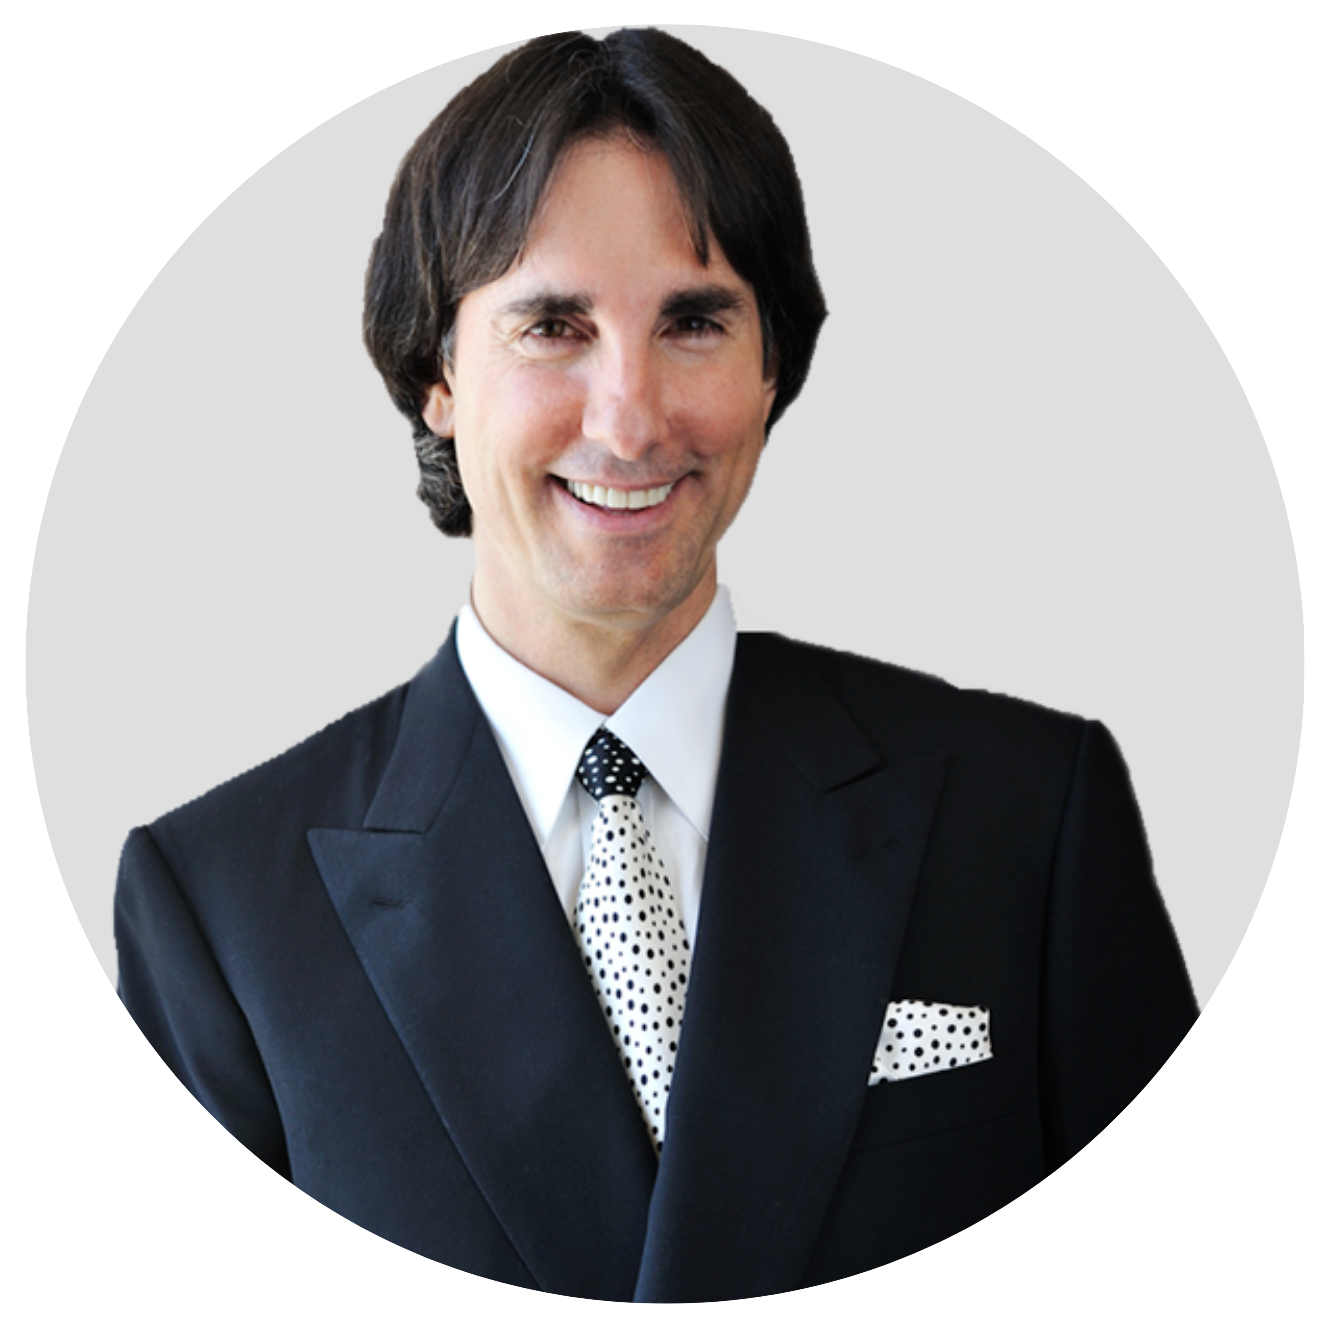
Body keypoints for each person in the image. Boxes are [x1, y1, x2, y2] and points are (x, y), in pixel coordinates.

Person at [114, 28, 1198, 1301]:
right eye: (552, 325)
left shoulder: (1032, 812)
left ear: (771, 366)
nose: (628, 420)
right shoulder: (218, 910)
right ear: (434, 374)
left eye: (692, 321)